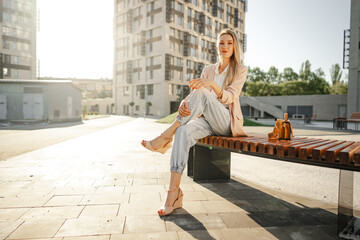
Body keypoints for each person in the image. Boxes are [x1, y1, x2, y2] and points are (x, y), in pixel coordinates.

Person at [141, 29, 248, 216]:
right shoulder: (208, 70)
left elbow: (231, 96)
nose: (225, 46)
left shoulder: (240, 69)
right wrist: (184, 102)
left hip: (225, 121)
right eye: (221, 43)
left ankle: (165, 136)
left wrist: (212, 86)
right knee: (183, 132)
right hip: (206, 121)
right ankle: (172, 195)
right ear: (216, 45)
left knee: (203, 93)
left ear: (234, 46)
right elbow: (195, 95)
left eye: (229, 43)